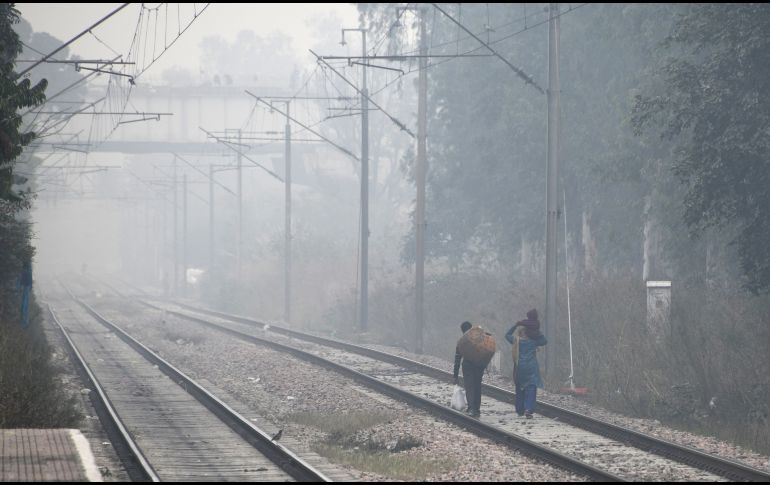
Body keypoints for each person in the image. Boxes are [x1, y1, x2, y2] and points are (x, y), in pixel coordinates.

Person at [505, 309, 547, 418]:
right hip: (531, 368)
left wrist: (515, 325)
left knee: (520, 388)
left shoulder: (516, 341)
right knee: (531, 388)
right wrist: (537, 333)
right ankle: (528, 409)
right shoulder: (534, 342)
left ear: (520, 333)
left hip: (520, 368)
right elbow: (544, 341)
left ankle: (519, 410)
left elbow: (507, 335)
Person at [453, 321, 489, 418]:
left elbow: (457, 358)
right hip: (479, 366)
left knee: (470, 387)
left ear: (462, 330)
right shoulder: (480, 338)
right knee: (477, 386)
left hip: (468, 366)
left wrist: (455, 375)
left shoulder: (462, 341)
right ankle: (477, 409)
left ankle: (471, 408)